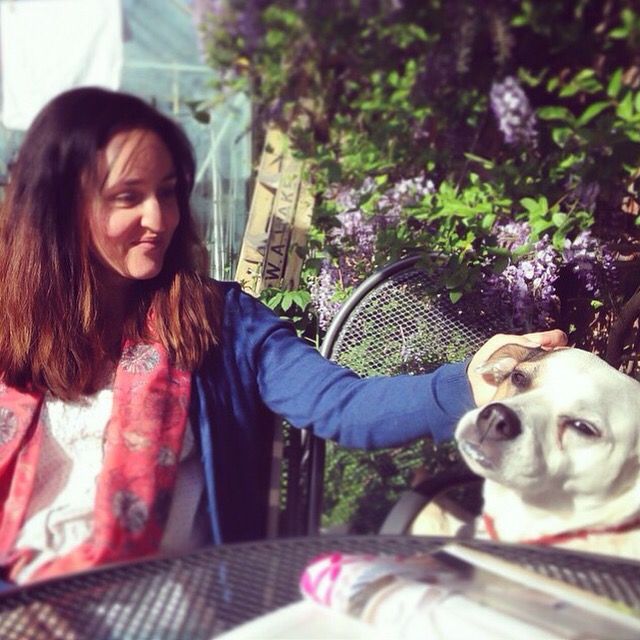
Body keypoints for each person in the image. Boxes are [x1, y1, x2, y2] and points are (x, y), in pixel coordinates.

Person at [0, 87, 567, 585]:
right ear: (60, 207)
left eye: (168, 192)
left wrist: (468, 382)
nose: (160, 218)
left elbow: (343, 405)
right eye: (128, 197)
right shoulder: (11, 332)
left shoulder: (220, 322)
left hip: (162, 605)